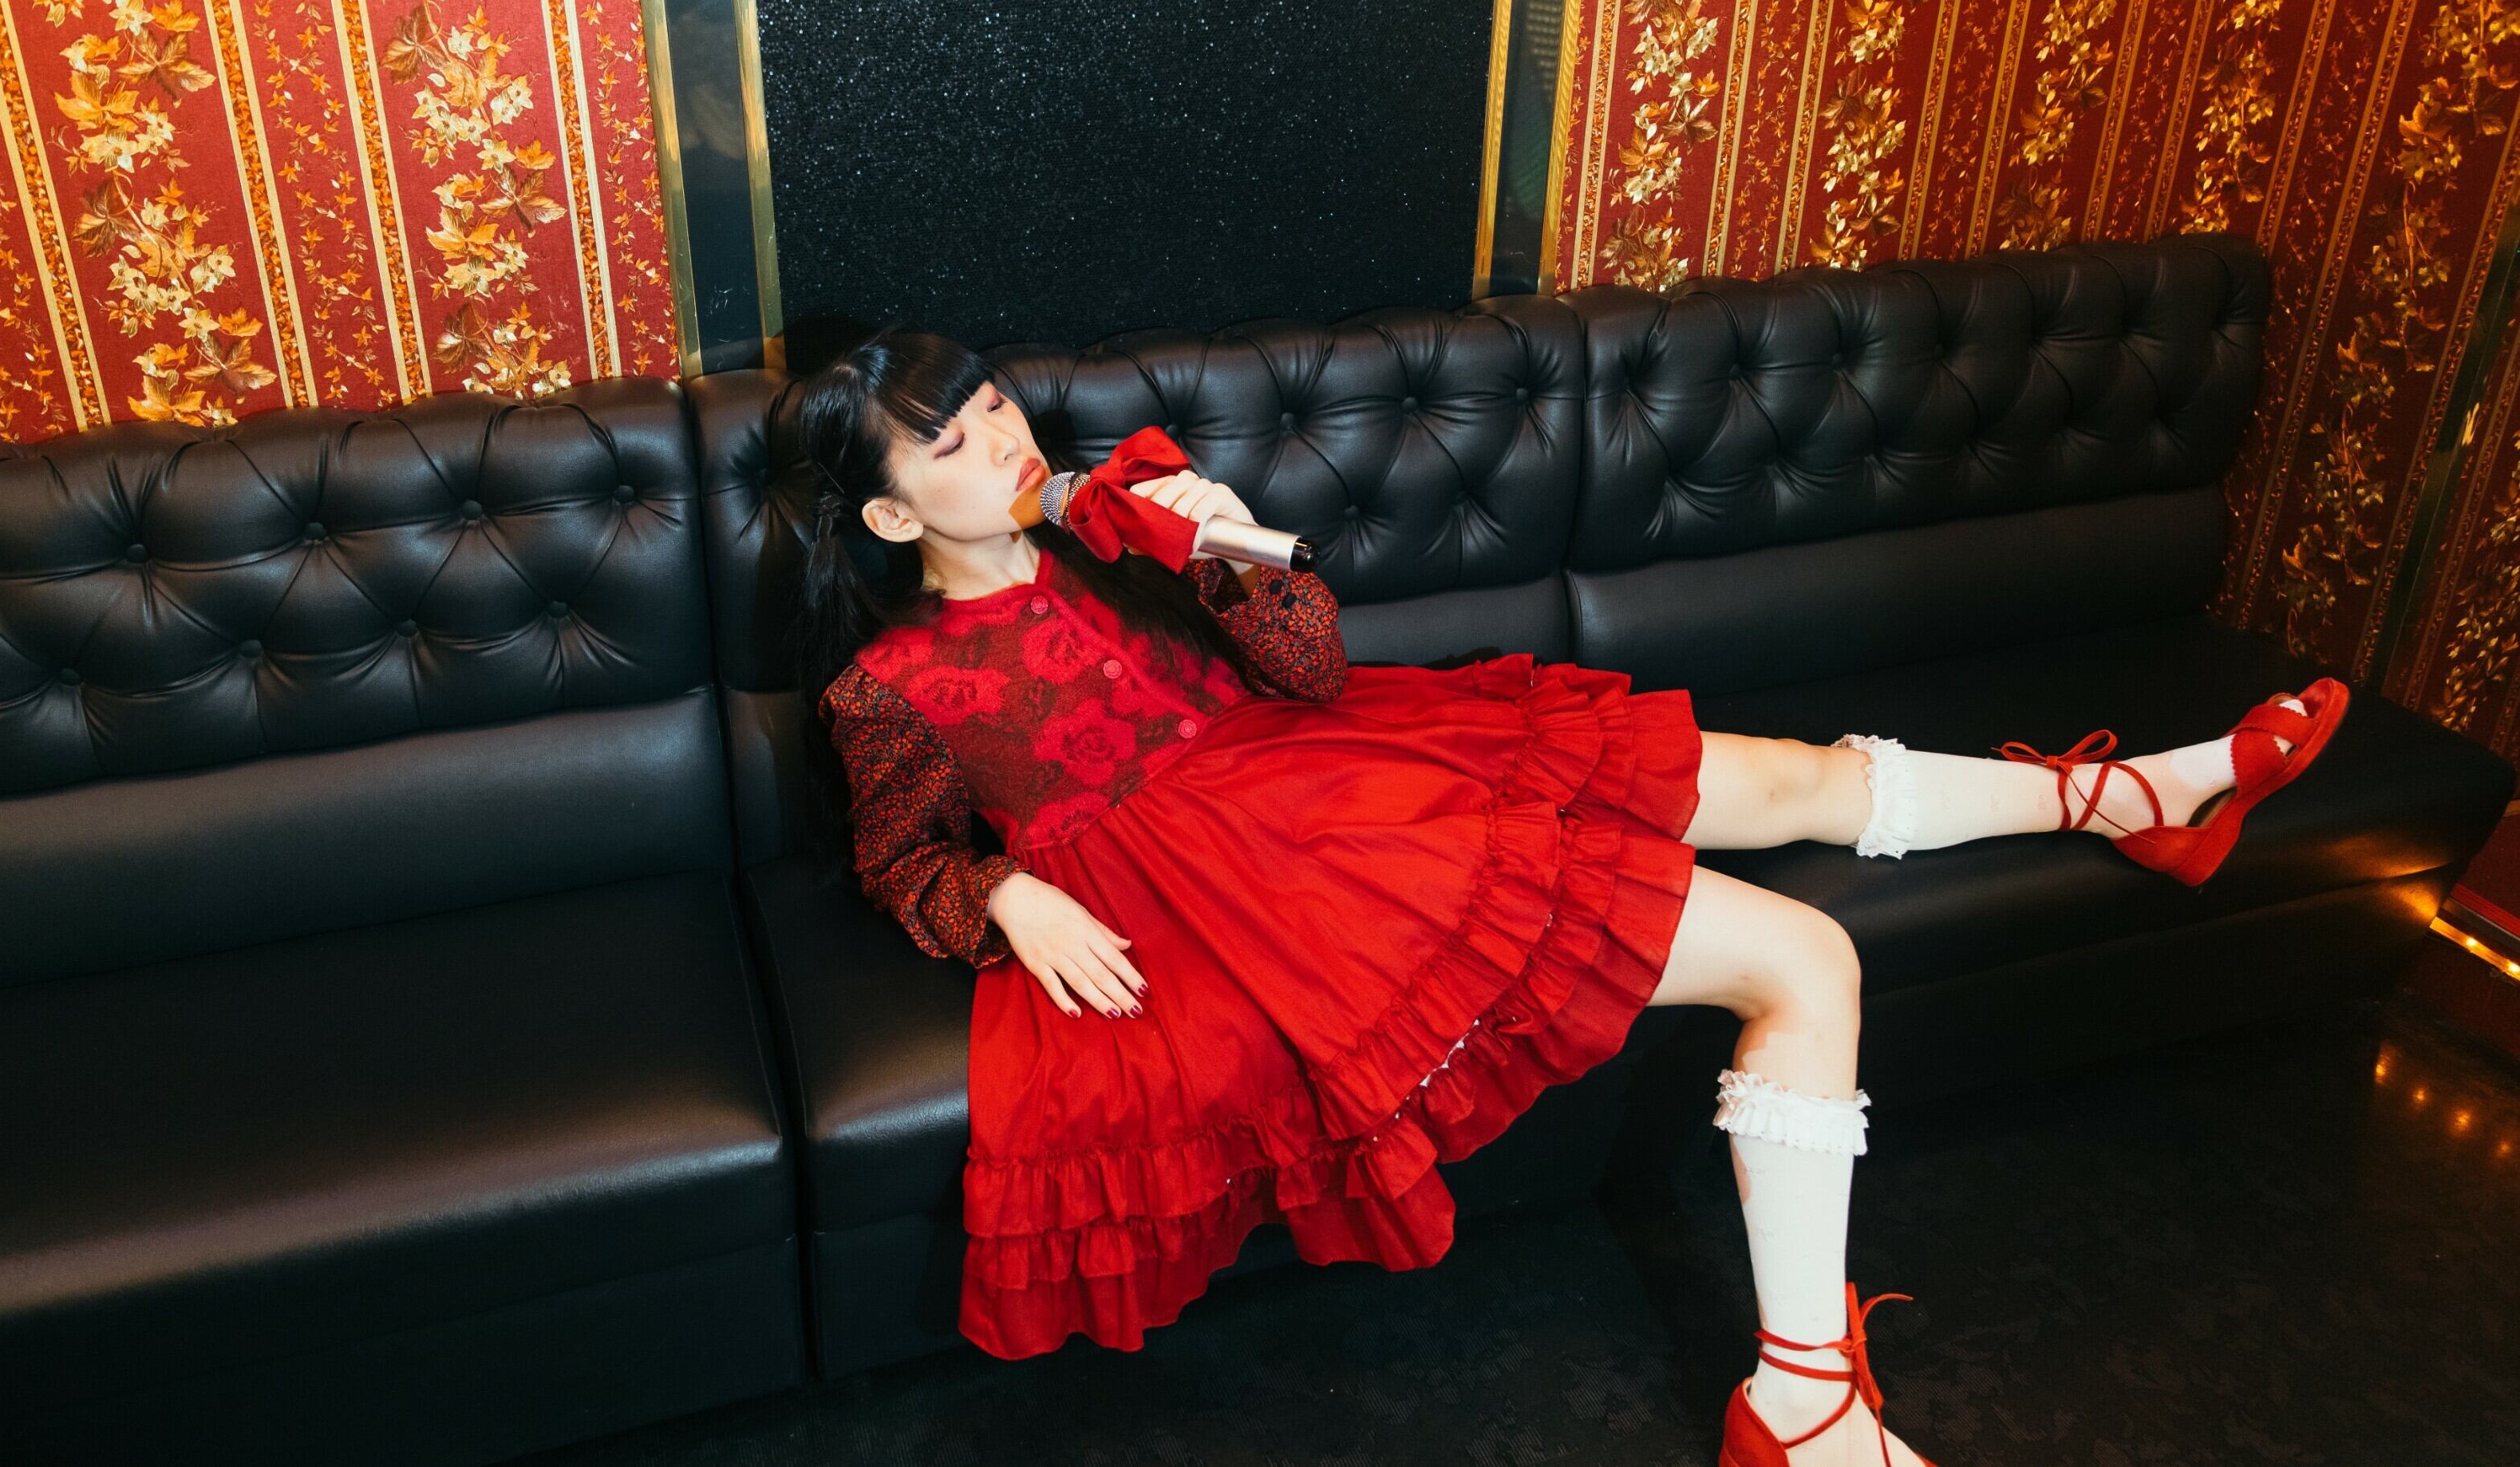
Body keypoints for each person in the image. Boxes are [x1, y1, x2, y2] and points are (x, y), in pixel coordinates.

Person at [792, 328, 2348, 1467]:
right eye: (951, 443)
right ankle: (1802, 1402)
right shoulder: (888, 685)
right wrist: (1008, 899)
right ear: (889, 515)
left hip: (1347, 764)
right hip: (1277, 890)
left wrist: (1215, 546)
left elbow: (1310, 671)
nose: (1001, 439)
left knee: (1792, 777)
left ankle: (2125, 800)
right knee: (1804, 957)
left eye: (993, 403)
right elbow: (902, 863)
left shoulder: (1113, 523)